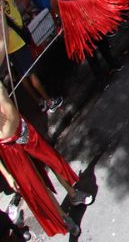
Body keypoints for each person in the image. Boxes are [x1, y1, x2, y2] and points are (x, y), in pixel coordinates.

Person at [0, 84, 90, 238]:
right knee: (37, 185)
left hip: (23, 129)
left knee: (53, 160)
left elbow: (5, 58)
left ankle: (73, 194)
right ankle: (64, 218)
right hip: (9, 148)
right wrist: (7, 174)